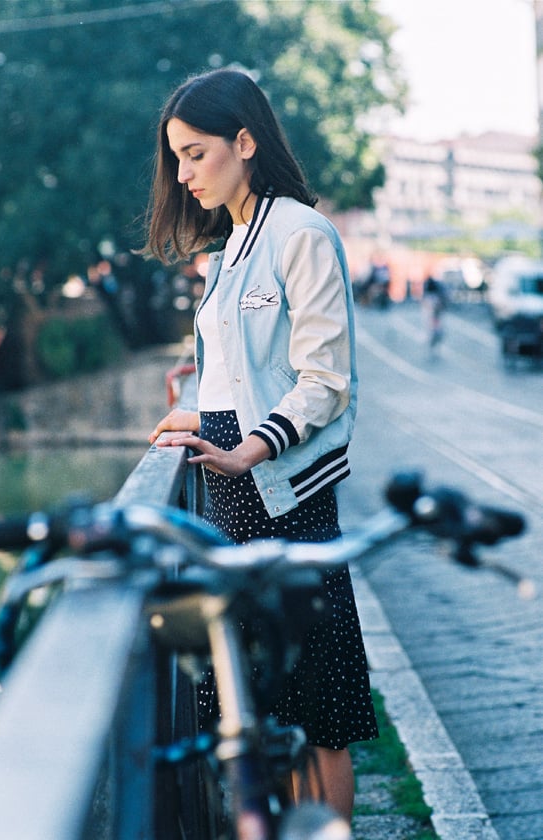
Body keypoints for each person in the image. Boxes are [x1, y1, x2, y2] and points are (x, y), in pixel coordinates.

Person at [145, 68, 378, 823]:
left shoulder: (300, 233)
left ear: (245, 142)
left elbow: (325, 378)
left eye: (196, 153)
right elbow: (240, 371)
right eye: (177, 158)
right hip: (228, 501)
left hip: (284, 498)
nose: (184, 175)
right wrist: (198, 416)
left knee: (318, 718)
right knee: (257, 717)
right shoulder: (231, 247)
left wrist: (248, 447)